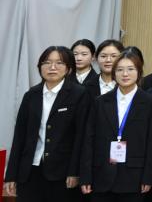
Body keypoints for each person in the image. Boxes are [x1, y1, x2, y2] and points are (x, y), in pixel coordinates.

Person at [4, 46, 89, 202]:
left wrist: (75, 171)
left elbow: (81, 137)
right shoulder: (31, 94)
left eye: (59, 63)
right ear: (40, 67)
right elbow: (19, 136)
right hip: (30, 170)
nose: (52, 67)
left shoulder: (79, 94)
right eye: (47, 62)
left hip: (62, 172)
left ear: (69, 68)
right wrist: (11, 175)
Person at [80, 48, 152, 202]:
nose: (125, 74)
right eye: (120, 70)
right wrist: (85, 176)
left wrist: (148, 176)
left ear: (139, 72)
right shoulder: (100, 102)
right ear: (114, 73)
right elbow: (89, 140)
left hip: (135, 177)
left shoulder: (151, 103)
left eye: (130, 69)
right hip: (101, 176)